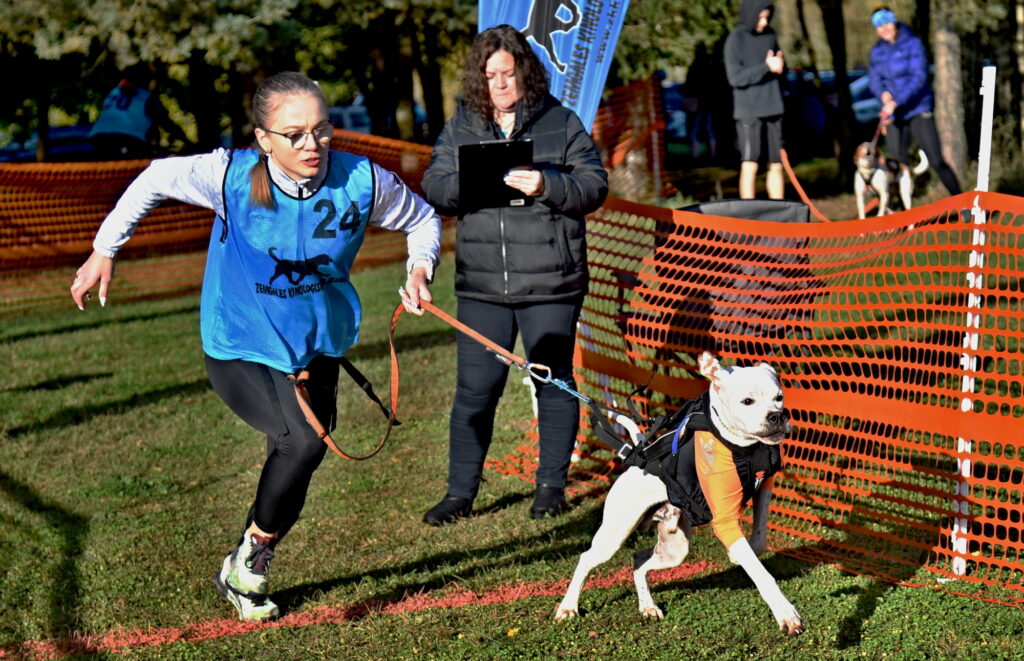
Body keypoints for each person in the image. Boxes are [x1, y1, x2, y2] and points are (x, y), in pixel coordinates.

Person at [70, 71, 440, 621]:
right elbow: (154, 178)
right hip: (239, 343)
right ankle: (250, 566)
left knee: (295, 456)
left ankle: (246, 562)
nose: (311, 145)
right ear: (264, 138)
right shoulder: (227, 176)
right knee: (304, 444)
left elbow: (423, 219)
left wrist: (419, 267)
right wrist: (106, 249)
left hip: (317, 343)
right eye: (294, 134)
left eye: (321, 131)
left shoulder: (362, 180)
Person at [420, 25, 607, 525]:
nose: (501, 83)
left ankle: (550, 488)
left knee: (552, 382)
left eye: (508, 72)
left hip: (550, 283)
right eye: (491, 75)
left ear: (525, 72)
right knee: (475, 392)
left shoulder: (560, 121)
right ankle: (460, 493)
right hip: (482, 286)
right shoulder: (463, 124)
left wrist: (549, 182)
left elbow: (593, 185)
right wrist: (469, 183)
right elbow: (435, 185)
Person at [868, 7, 962, 197]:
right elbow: (874, 80)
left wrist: (897, 101)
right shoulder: (876, 52)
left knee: (936, 160)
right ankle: (902, 215)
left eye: (887, 23)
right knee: (897, 165)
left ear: (894, 22)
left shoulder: (912, 43)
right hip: (895, 115)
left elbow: (918, 77)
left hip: (918, 109)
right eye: (879, 25)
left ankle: (966, 205)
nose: (884, 28)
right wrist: (883, 95)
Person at [724, 0, 786, 200]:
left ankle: (779, 215)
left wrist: (779, 67)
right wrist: (766, 67)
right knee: (750, 164)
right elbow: (735, 78)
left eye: (767, 17)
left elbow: (778, 67)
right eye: (760, 17)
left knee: (776, 164)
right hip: (749, 112)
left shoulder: (770, 36)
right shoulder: (736, 39)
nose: (764, 22)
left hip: (773, 108)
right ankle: (748, 218)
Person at [90, 64, 190, 159]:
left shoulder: (113, 93)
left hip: (97, 139)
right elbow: (165, 122)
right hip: (126, 140)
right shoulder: (146, 97)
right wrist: (185, 139)